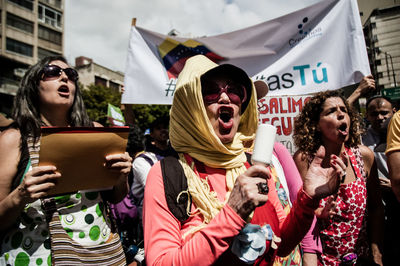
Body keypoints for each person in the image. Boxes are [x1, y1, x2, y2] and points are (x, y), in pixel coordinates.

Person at [143, 55, 347, 265]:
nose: (226, 98)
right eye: (211, 91)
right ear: (191, 105)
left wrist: (308, 200)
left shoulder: (252, 164)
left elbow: (282, 245)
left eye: (234, 90)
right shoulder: (166, 173)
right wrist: (232, 214)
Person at [0, 55, 132, 265]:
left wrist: (122, 176)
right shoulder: (13, 139)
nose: (64, 78)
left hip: (103, 256)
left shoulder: (96, 132)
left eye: (71, 75)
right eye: (53, 72)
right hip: (36, 256)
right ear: (33, 84)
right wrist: (21, 195)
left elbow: (116, 197)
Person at [293, 90, 384, 265]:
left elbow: (376, 208)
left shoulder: (364, 156)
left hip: (361, 259)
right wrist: (317, 213)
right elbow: (298, 212)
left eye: (344, 110)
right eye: (331, 111)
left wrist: (376, 253)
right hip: (321, 260)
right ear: (317, 125)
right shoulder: (304, 160)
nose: (341, 114)